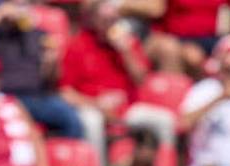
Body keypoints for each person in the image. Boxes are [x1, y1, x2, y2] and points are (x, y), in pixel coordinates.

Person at [0, 0, 84, 139]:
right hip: (4, 97)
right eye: (15, 5)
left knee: (71, 119)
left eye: (23, 5)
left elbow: (53, 78)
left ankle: (66, 152)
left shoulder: (40, 35)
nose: (19, 9)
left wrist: (51, 63)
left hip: (38, 97)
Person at [60, 0, 170, 155]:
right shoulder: (77, 45)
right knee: (92, 121)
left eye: (114, 19)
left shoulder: (128, 43)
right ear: (92, 19)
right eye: (105, 20)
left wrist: (126, 52)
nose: (110, 24)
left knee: (165, 120)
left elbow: (141, 80)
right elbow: (65, 93)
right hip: (93, 108)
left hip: (126, 109)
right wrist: (97, 103)